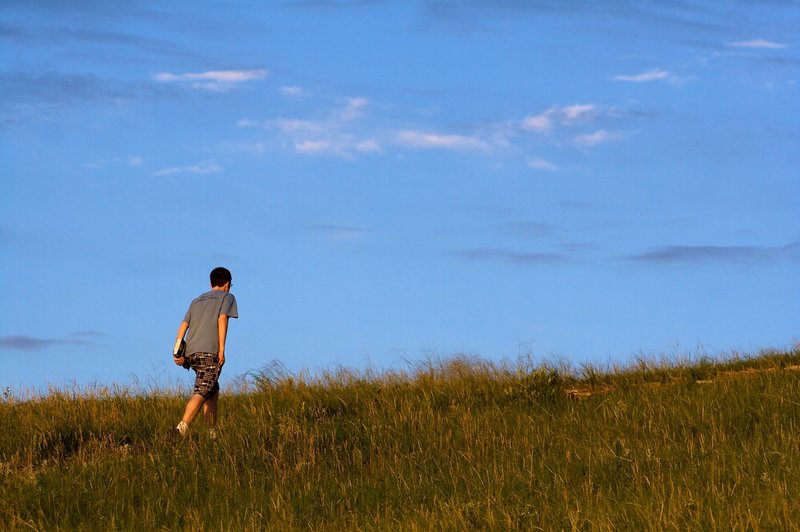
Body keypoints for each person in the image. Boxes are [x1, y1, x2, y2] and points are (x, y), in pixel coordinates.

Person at [172, 267, 238, 438]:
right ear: (228, 284)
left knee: (212, 390)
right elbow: (222, 319)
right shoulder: (227, 297)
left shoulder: (196, 301)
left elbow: (184, 325)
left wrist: (177, 352)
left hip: (191, 353)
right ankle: (180, 429)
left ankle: (211, 434)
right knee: (202, 391)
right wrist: (221, 350)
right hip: (210, 353)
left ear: (210, 283)